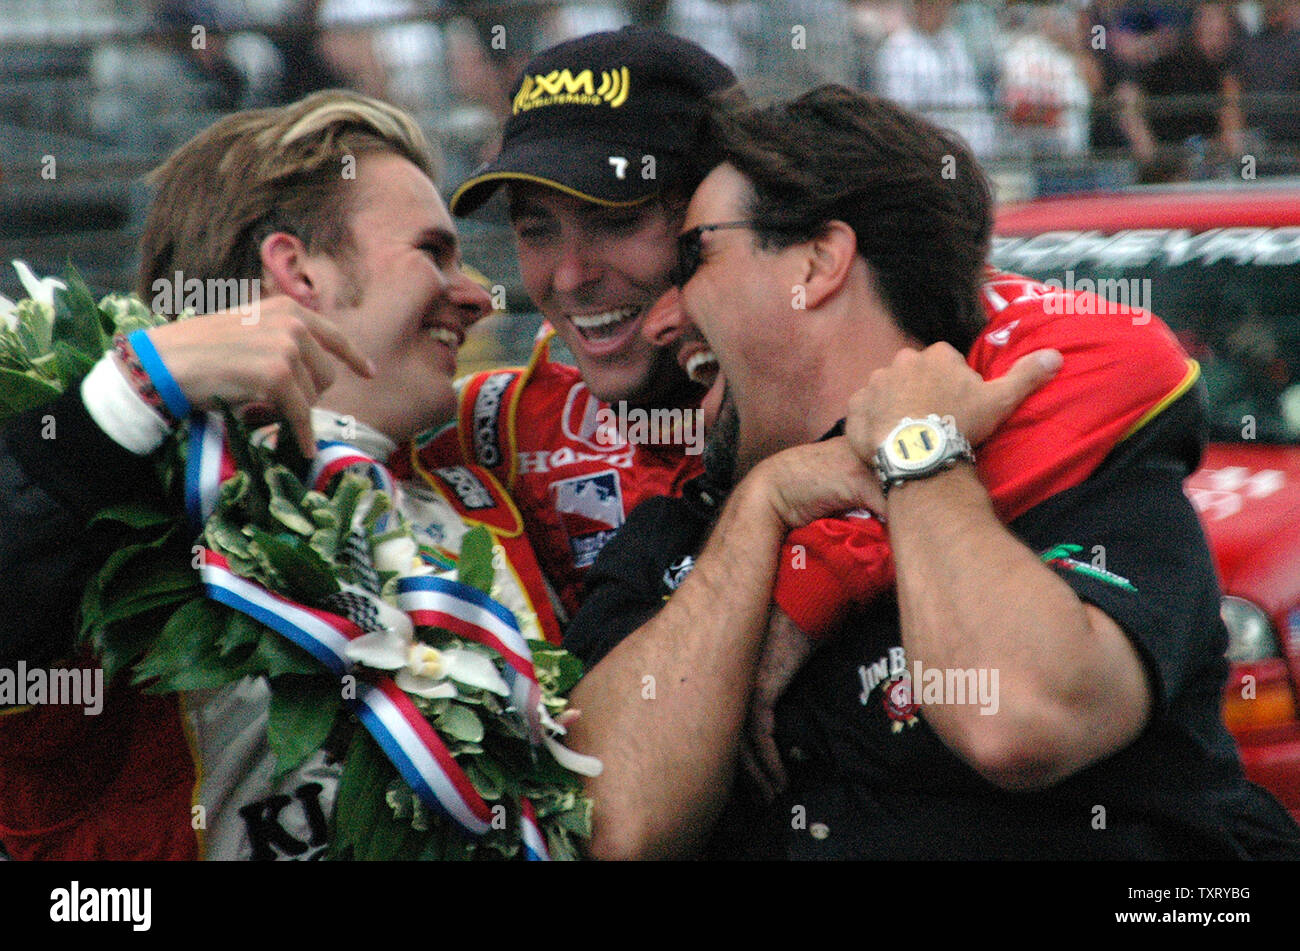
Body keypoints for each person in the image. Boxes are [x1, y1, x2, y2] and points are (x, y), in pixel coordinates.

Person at [561, 84, 1300, 859]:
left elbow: (1019, 720)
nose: (661, 316)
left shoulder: (1091, 478)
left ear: (817, 261)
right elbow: (609, 825)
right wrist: (762, 508)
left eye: (696, 255)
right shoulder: (677, 534)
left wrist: (919, 455)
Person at [0, 90, 564, 860]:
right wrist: (125, 401)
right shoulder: (123, 507)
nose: (473, 294)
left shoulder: (489, 499)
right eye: (434, 252)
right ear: (296, 270)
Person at [405, 27, 739, 627]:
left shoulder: (840, 404)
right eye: (537, 230)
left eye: (614, 221)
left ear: (723, 211)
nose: (569, 276)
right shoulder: (493, 428)